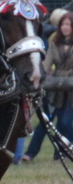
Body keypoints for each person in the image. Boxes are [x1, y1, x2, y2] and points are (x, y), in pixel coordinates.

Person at [23, 11, 73, 161]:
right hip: (56, 90)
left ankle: (61, 153)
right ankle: (33, 153)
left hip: (71, 91)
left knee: (65, 122)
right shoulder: (54, 43)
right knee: (46, 121)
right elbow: (47, 61)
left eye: (68, 25)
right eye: (62, 24)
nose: (65, 27)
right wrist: (39, 74)